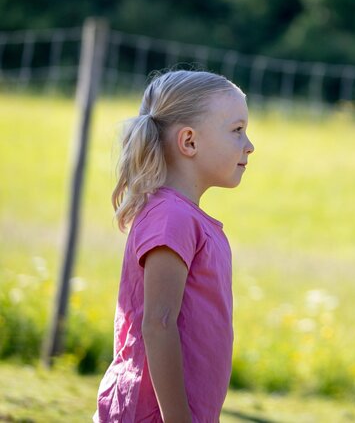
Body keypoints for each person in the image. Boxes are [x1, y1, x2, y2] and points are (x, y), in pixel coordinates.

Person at [95, 70, 255, 422]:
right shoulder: (172, 218)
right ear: (189, 142)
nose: (249, 145)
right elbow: (158, 324)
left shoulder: (184, 218)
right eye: (237, 130)